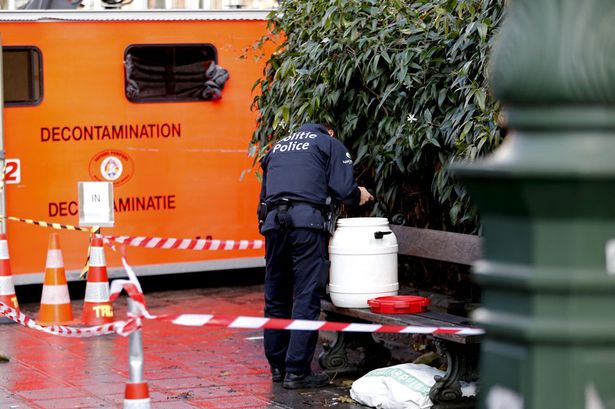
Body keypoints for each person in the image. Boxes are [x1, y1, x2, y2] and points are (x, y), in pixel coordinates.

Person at [257, 122, 373, 389]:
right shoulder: (329, 144)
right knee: (307, 296)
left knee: (276, 296)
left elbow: (263, 198)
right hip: (306, 225)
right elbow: (343, 190)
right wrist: (360, 194)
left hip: (274, 224)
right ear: (330, 131)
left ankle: (278, 366)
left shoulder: (278, 147)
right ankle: (297, 372)